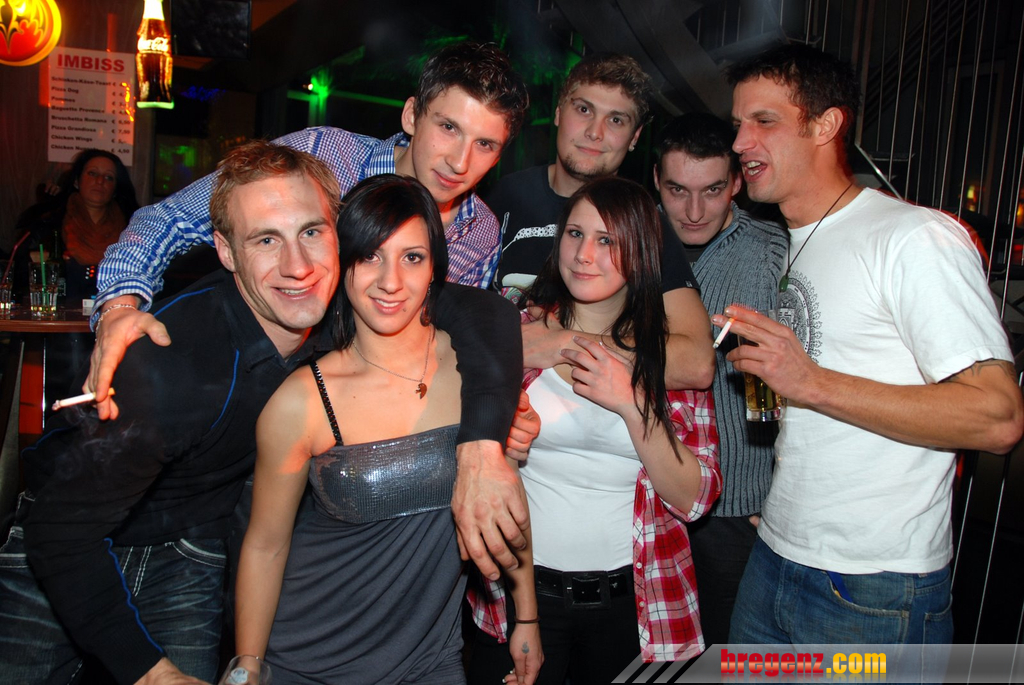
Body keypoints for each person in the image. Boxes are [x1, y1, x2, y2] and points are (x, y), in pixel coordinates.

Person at [0, 142, 525, 684]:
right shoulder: (173, 367)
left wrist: (487, 431)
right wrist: (151, 674)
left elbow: (482, 311)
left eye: (311, 232)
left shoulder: (341, 304)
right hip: (67, 544)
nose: (298, 266)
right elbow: (61, 534)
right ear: (226, 252)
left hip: (191, 547)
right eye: (266, 240)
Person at [83, 41, 534, 580]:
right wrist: (119, 307)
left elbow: (448, 341)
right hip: (232, 410)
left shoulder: (480, 233)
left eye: (485, 144)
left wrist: (496, 410)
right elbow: (166, 222)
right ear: (413, 115)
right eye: (448, 128)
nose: (460, 161)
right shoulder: (326, 157)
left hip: (349, 462)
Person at [719, 44, 1023, 646]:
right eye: (738, 124)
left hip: (871, 590)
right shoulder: (794, 240)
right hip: (776, 553)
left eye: (764, 121)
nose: (740, 142)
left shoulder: (914, 238)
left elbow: (998, 417)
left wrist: (810, 382)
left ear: (826, 124)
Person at [234, 174, 542, 685]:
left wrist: (525, 616)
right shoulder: (302, 401)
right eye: (370, 256)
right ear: (341, 262)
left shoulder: (478, 369)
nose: (391, 281)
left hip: (431, 660)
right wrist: (247, 664)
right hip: (309, 661)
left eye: (412, 257)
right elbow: (266, 545)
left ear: (435, 266)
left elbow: (503, 494)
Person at [468, 177, 721, 683]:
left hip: (636, 603)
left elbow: (695, 499)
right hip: (520, 594)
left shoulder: (669, 357)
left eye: (607, 240)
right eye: (575, 234)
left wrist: (631, 404)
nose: (585, 254)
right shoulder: (519, 330)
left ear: (641, 251)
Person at [488, 53, 714, 390]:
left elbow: (696, 362)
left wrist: (563, 344)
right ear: (558, 113)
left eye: (616, 120)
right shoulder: (505, 195)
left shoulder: (645, 224)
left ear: (635, 137)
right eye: (584, 110)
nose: (595, 132)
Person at [651, 112, 787, 646]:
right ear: (656, 181)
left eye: (711, 190)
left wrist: (775, 490)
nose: (693, 211)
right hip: (650, 491)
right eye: (677, 190)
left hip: (733, 505)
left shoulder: (765, 253)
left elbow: (771, 385)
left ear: (736, 183)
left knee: (725, 654)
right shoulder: (634, 239)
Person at [15, 148, 140, 301]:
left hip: (115, 312)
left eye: (109, 177)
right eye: (92, 173)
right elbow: (19, 277)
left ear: (116, 189)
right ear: (76, 181)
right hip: (55, 312)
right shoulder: (48, 224)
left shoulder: (134, 230)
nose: (100, 181)